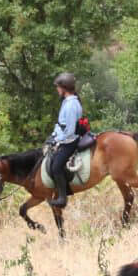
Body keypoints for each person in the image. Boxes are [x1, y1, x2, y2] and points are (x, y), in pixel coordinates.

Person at [46, 72, 85, 209]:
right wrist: (53, 135)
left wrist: (57, 140)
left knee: (56, 166)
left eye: (58, 87)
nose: (57, 89)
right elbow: (60, 124)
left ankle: (62, 198)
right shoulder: (68, 101)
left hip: (70, 141)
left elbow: (69, 131)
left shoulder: (70, 105)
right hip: (64, 137)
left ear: (63, 88)